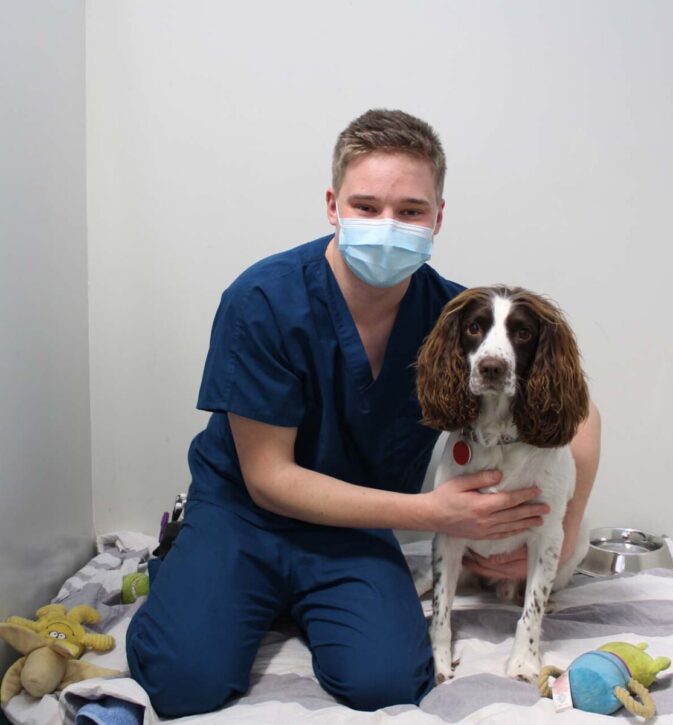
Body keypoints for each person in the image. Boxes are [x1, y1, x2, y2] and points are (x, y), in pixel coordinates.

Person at [126, 109, 601, 717]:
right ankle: (195, 569)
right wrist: (435, 514)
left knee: (387, 684)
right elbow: (269, 479)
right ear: (332, 206)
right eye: (366, 206)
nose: (387, 226)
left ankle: (288, 601)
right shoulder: (264, 300)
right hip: (243, 518)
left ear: (437, 217)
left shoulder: (456, 317)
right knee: (183, 680)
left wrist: (563, 527)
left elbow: (575, 412)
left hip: (352, 530)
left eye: (409, 211)